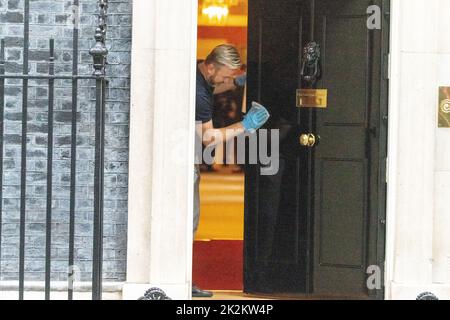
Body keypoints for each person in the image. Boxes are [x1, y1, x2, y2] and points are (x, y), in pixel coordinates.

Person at [193, 44, 270, 298]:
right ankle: (180, 280)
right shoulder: (199, 95)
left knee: (189, 222)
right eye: (226, 76)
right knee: (189, 223)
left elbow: (217, 86)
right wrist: (245, 126)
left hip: (186, 162)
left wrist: (237, 82)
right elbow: (208, 137)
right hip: (183, 165)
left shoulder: (198, 75)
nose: (227, 81)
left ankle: (182, 279)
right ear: (211, 66)